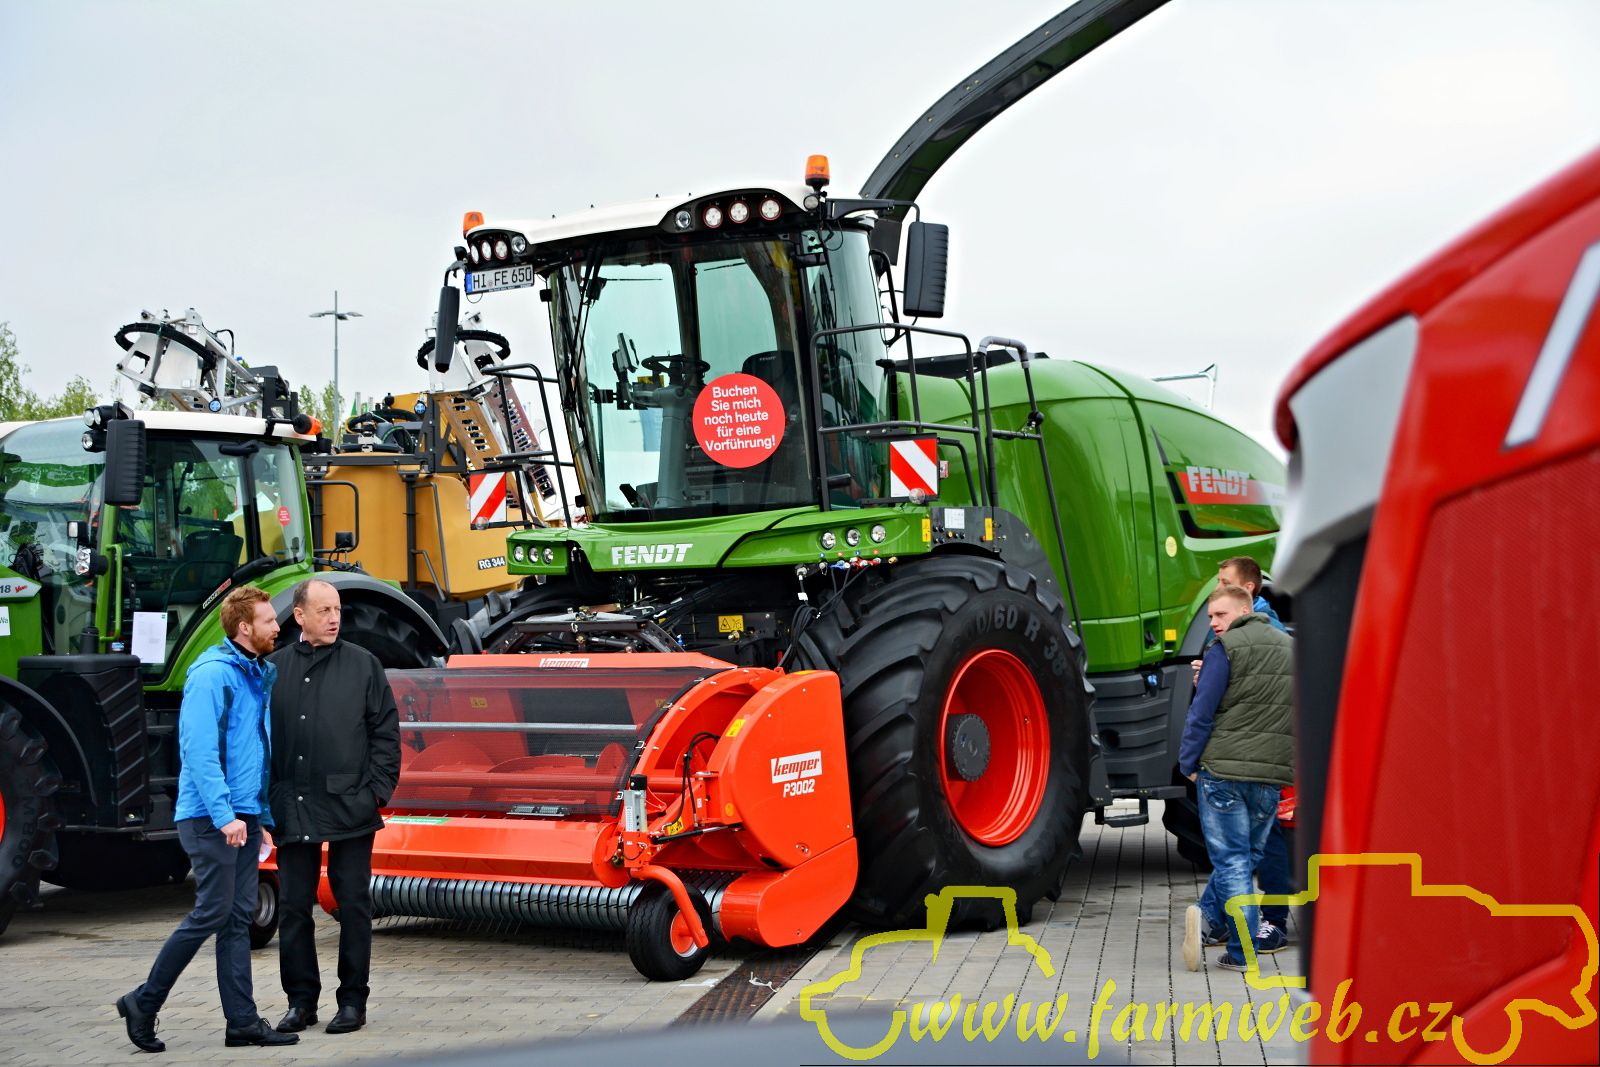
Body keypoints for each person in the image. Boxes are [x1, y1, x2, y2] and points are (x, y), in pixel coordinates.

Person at [117, 585, 299, 1051]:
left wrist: (258, 816)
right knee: (212, 912)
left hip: (243, 816)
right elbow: (199, 753)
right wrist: (224, 815)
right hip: (209, 817)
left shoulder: (254, 673)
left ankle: (242, 1022)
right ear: (244, 628)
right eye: (268, 621)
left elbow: (254, 752)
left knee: (237, 918)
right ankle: (143, 1001)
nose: (277, 627)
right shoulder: (212, 675)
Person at [267, 579, 399, 1036]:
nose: (334, 618)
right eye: (323, 610)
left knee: (354, 904)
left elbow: (385, 731)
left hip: (351, 804)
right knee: (293, 906)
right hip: (292, 803)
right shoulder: (274, 668)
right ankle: (301, 1002)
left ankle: (353, 1002)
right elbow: (260, 738)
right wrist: (268, 796)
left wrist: (377, 791)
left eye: (337, 609)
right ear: (299, 616)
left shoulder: (363, 665)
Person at [1178, 583, 1294, 972]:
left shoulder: (1224, 650)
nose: (1213, 623)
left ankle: (1242, 951)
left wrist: (1187, 763)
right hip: (1269, 776)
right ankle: (1207, 916)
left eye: (1220, 614)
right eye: (1211, 616)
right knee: (1247, 857)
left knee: (1232, 862)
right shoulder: (1290, 648)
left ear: (1245, 610)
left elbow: (1201, 712)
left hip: (1223, 773)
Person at [1209, 556, 1294, 945]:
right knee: (1244, 846)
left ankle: (1269, 922)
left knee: (1257, 844)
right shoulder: (1250, 631)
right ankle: (1226, 918)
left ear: (1247, 591)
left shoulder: (1260, 633)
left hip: (1258, 756)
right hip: (1259, 754)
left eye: (1224, 582)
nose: (1217, 588)